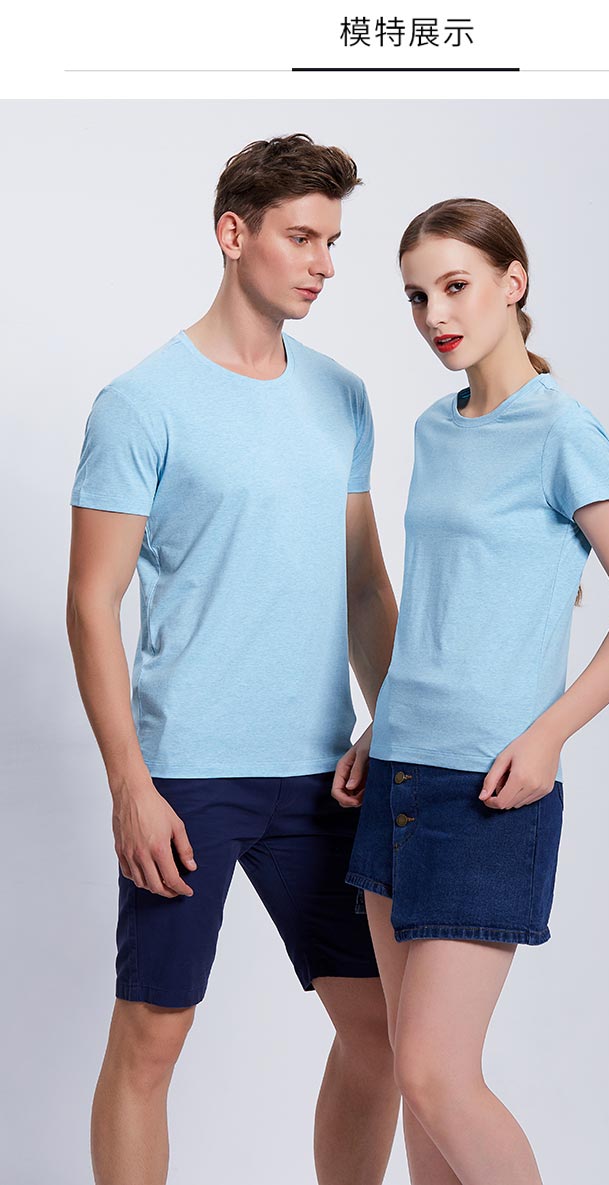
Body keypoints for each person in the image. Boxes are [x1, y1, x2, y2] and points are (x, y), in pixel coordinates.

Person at [66, 134, 401, 1185]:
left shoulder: (342, 395)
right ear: (233, 233)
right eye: (302, 237)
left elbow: (362, 585)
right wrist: (130, 784)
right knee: (152, 1038)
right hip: (190, 774)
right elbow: (90, 602)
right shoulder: (142, 401)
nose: (323, 264)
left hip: (322, 776)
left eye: (332, 241)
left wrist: (390, 723)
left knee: (384, 1033)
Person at [333, 197, 609, 1185]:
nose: (435, 314)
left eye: (455, 286)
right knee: (418, 1084)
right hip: (398, 771)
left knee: (437, 1075)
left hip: (487, 787)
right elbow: (442, 601)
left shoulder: (564, 428)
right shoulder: (433, 430)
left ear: (512, 282)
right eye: (416, 296)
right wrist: (383, 718)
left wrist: (549, 735)